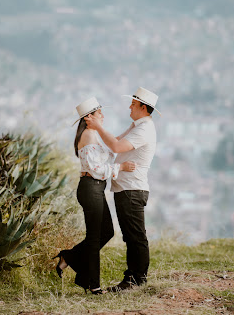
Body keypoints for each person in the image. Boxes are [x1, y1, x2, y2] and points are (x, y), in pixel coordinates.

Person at [53, 97, 136, 295]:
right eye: (100, 113)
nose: (103, 116)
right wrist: (121, 167)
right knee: (94, 237)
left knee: (106, 232)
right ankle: (93, 285)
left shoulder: (93, 134)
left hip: (96, 189)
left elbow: (109, 151)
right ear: (89, 117)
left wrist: (127, 134)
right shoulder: (89, 136)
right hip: (91, 187)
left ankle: (69, 257)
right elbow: (96, 169)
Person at [84, 87, 160, 291]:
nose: (130, 107)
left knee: (135, 235)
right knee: (130, 235)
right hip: (125, 188)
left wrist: (98, 127)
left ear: (143, 108)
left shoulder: (143, 129)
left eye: (134, 104)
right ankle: (133, 277)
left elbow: (117, 147)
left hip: (132, 189)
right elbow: (115, 142)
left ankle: (136, 279)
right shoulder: (136, 126)